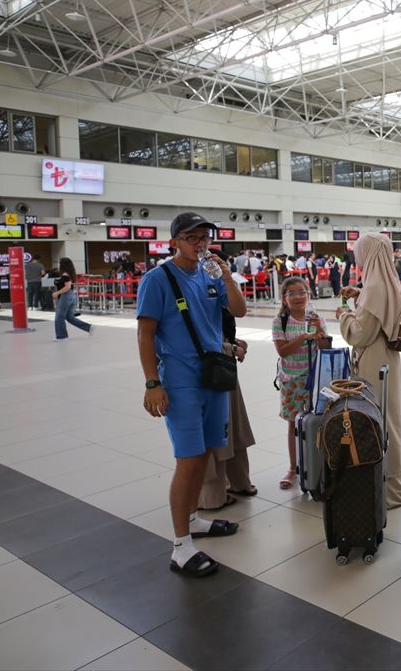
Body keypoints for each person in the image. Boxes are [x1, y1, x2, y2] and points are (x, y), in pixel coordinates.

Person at [136, 213, 248, 578]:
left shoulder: (211, 274)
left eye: (204, 237)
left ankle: (193, 519)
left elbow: (238, 310)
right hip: (181, 379)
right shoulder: (158, 279)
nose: (200, 244)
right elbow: (145, 334)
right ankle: (181, 547)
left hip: (213, 375)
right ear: (174, 242)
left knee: (205, 454)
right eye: (192, 237)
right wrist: (152, 383)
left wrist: (227, 277)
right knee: (188, 459)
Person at [336, 233, 401, 508]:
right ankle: (394, 484)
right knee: (390, 420)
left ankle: (385, 491)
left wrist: (344, 316)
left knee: (376, 421)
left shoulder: (373, 287)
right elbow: (382, 312)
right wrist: (359, 295)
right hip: (388, 360)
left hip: (373, 363)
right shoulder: (388, 280)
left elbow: (360, 334)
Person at [273, 276, 329, 490]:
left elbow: (325, 349)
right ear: (284, 299)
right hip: (291, 381)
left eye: (302, 292)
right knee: (293, 424)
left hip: (314, 379)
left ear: (309, 294)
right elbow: (282, 351)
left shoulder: (317, 318)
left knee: (317, 422)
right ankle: (293, 468)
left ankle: (318, 466)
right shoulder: (280, 321)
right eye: (292, 293)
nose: (298, 297)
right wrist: (303, 337)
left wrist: (320, 333)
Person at [199, 307, 258, 511]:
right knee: (216, 432)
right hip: (204, 371)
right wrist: (230, 348)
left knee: (234, 423)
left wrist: (232, 343)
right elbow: (196, 337)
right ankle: (211, 496)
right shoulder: (195, 293)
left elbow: (227, 319)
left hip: (221, 365)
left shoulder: (215, 294)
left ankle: (238, 482)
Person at [52, 257, 93, 340]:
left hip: (65, 296)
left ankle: (62, 336)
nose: (58, 265)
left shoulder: (65, 275)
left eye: (59, 263)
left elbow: (67, 287)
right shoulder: (69, 274)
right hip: (71, 296)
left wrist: (57, 293)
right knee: (70, 317)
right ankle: (89, 327)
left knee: (59, 317)